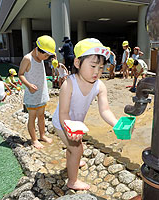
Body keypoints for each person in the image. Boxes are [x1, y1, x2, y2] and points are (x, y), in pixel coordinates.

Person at [52, 38, 118, 190]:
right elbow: (63, 113)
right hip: (62, 123)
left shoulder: (99, 86)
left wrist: (115, 123)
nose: (97, 72)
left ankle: (73, 160)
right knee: (77, 149)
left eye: (101, 68)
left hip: (76, 123)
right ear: (77, 63)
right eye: (93, 66)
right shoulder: (68, 84)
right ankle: (72, 181)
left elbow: (105, 110)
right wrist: (70, 128)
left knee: (75, 148)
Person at [18, 35, 55, 149]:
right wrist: (28, 85)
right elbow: (20, 74)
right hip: (32, 94)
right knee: (32, 117)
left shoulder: (41, 57)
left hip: (41, 93)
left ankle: (42, 135)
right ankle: (34, 140)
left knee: (41, 116)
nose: (46, 58)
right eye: (46, 55)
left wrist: (54, 60)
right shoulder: (27, 58)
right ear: (37, 49)